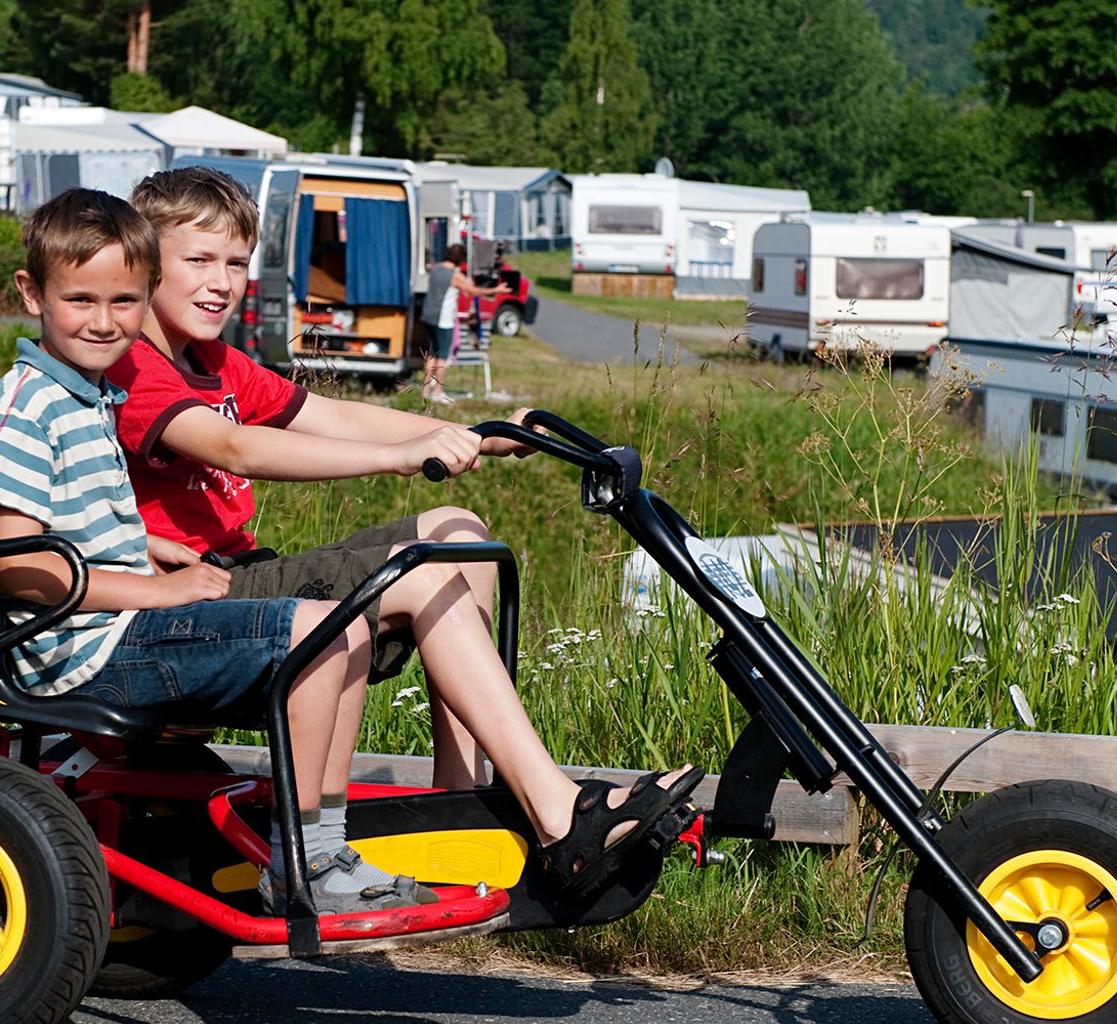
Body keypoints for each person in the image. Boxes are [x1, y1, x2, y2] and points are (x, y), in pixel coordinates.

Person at [108, 167, 700, 894]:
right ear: (143, 263)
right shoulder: (133, 365)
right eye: (197, 261)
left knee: (456, 529)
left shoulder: (214, 361)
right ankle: (557, 814)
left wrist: (473, 437)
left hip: (238, 573)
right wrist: (396, 459)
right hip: (194, 596)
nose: (220, 282)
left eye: (236, 263)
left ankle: (460, 799)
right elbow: (234, 448)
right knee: (419, 569)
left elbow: (337, 416)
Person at [0, 187, 427, 914]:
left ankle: (321, 844)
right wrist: (156, 590)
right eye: (81, 300)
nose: (105, 323)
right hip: (80, 650)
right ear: (31, 293)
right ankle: (305, 857)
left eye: (124, 302)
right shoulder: (27, 405)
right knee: (314, 625)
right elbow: (21, 564)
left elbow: (60, 523)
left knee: (343, 620)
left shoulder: (83, 396)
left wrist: (144, 543)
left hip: (107, 630)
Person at [417, 242, 509, 404]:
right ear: (461, 258)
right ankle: (437, 392)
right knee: (443, 356)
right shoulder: (454, 275)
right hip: (443, 319)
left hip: (428, 316)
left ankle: (425, 391)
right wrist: (497, 290)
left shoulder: (436, 269)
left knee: (431, 354)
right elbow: (475, 292)